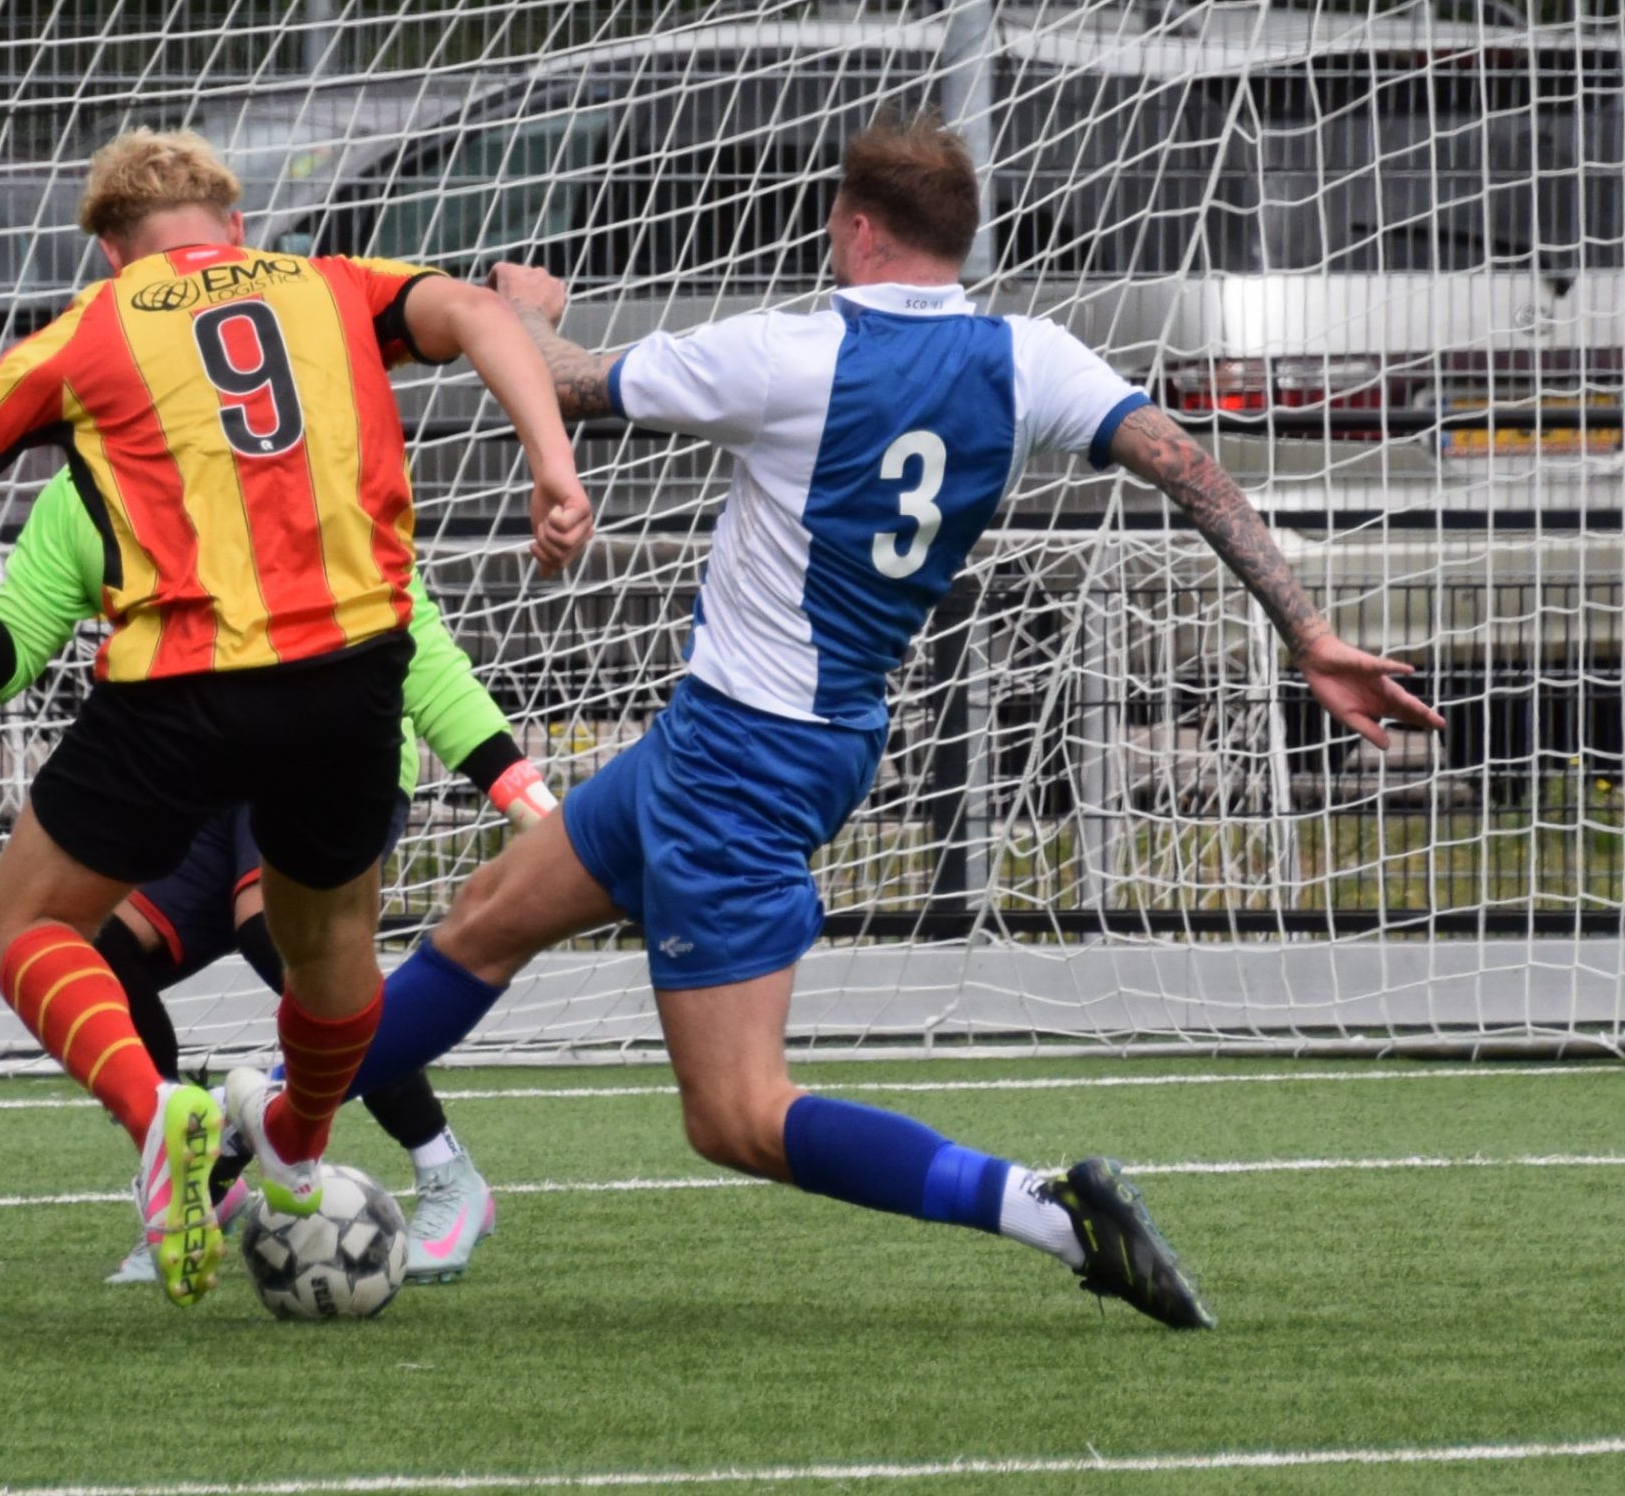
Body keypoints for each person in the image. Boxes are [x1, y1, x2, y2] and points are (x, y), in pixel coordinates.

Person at [295, 112, 1445, 1331]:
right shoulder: (1032, 357)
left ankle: (1049, 1210)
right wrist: (1306, 632)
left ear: (853, 226)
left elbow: (570, 381)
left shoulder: (787, 352)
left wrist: (516, 308)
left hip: (743, 760)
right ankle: (248, 1125)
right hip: (773, 736)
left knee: (736, 1114)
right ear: (960, 235)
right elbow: (1187, 465)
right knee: (485, 920)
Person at [0, 128, 591, 1308]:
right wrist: (553, 465)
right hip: (348, 677)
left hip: (183, 690)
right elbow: (485, 315)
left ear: (110, 250)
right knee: (327, 948)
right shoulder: (332, 285)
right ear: (234, 224)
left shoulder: (87, 331)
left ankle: (158, 1111)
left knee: (26, 926)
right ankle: (292, 1143)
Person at [0, 482, 550, 1283]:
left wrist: (521, 791)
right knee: (95, 944)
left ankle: (446, 1169)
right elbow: (7, 663)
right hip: (198, 772)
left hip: (328, 755)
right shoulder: (84, 490)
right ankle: (194, 1179)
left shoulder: (300, 461)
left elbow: (417, 644)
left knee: (274, 931)